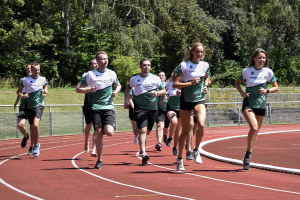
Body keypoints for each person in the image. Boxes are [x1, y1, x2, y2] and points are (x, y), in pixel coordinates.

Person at [234, 48, 279, 170]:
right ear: (254, 58)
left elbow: (276, 87)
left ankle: (247, 154)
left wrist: (266, 91)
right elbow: (237, 83)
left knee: (256, 131)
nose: (262, 60)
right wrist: (242, 92)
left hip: (261, 105)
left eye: (264, 58)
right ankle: (248, 156)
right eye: (259, 58)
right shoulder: (247, 71)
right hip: (248, 103)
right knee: (253, 127)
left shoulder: (268, 72)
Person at [77, 51, 121, 169]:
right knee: (99, 133)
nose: (105, 60)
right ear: (97, 61)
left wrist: (115, 92)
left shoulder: (112, 73)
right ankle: (99, 160)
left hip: (108, 107)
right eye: (102, 59)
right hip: (95, 107)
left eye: (107, 58)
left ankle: (110, 124)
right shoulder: (89, 74)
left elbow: (118, 85)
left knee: (109, 132)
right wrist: (89, 89)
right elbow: (78, 89)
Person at [173, 42, 210, 171]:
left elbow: (207, 78)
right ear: (192, 52)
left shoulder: (205, 65)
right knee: (185, 131)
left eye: (201, 52)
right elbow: (175, 85)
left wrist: (205, 86)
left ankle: (196, 150)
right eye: (197, 51)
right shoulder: (183, 65)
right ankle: (179, 159)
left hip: (199, 99)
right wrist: (190, 83)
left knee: (201, 124)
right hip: (185, 100)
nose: (199, 54)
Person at [124, 58, 166, 165]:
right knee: (142, 131)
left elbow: (164, 90)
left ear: (150, 67)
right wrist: (126, 101)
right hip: (140, 108)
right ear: (140, 66)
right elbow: (127, 89)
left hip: (153, 108)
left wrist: (158, 94)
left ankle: (139, 133)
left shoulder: (155, 78)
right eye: (144, 65)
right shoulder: (134, 79)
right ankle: (143, 153)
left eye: (148, 65)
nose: (146, 67)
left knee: (147, 132)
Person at [17, 62, 48, 157]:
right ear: (32, 70)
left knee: (35, 125)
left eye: (38, 70)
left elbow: (45, 87)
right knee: (30, 126)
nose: (36, 72)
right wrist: (22, 95)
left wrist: (45, 91)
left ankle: (36, 145)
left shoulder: (43, 79)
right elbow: (18, 91)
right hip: (28, 106)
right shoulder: (25, 80)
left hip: (38, 105)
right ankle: (28, 139)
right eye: (35, 70)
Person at [76, 59, 98, 157]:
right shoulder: (86, 75)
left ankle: (94, 149)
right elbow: (79, 88)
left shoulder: (103, 75)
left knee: (97, 127)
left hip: (98, 104)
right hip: (88, 103)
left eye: (97, 63)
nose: (96, 65)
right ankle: (86, 141)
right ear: (90, 66)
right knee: (88, 126)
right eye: (93, 63)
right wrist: (89, 89)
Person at [14, 63, 32, 149]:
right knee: (20, 124)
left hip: (34, 107)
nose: (28, 70)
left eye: (30, 68)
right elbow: (19, 91)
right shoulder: (23, 80)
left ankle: (33, 147)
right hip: (24, 106)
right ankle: (25, 136)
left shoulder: (39, 80)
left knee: (34, 127)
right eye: (27, 69)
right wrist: (17, 100)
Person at [165, 71, 181, 156]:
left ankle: (175, 148)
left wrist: (181, 94)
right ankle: (170, 137)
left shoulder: (184, 83)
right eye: (175, 72)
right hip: (171, 107)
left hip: (181, 108)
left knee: (178, 130)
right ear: (173, 74)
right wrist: (163, 96)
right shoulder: (169, 83)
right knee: (174, 122)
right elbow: (164, 91)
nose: (176, 74)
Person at [154, 71, 169, 151]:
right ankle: (159, 143)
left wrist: (167, 97)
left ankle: (165, 134)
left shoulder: (169, 85)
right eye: (159, 75)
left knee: (166, 128)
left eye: (162, 75)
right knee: (160, 124)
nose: (161, 76)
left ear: (165, 77)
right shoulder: (155, 86)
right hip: (159, 108)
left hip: (168, 108)